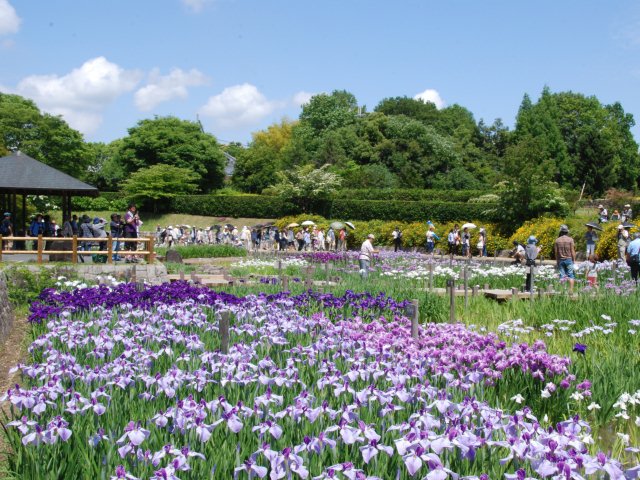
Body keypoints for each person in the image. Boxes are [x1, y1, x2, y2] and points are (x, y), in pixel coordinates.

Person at [554, 224, 576, 294]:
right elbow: (572, 251)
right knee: (571, 275)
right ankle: (571, 290)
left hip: (560, 260)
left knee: (562, 275)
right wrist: (574, 260)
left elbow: (556, 252)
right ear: (567, 232)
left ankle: (563, 290)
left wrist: (557, 261)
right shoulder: (570, 240)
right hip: (569, 259)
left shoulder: (557, 240)